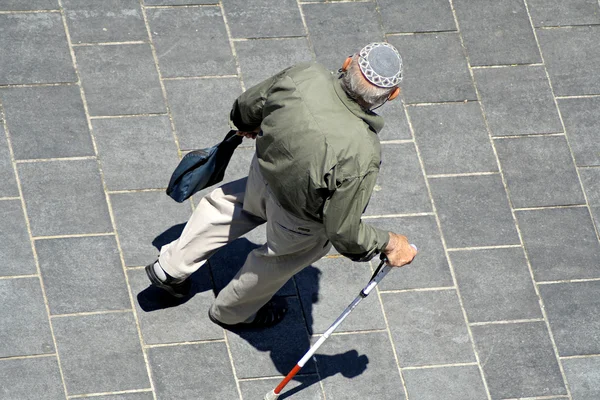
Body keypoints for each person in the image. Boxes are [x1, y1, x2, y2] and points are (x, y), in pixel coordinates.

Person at [146, 42, 417, 329]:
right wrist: (388, 242)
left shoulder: (304, 75)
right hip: (298, 220)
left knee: (228, 207)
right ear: (392, 95)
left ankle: (171, 267)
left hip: (262, 174)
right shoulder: (363, 152)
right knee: (276, 261)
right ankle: (232, 312)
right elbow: (343, 231)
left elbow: (247, 106)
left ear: (348, 61)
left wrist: (248, 123)